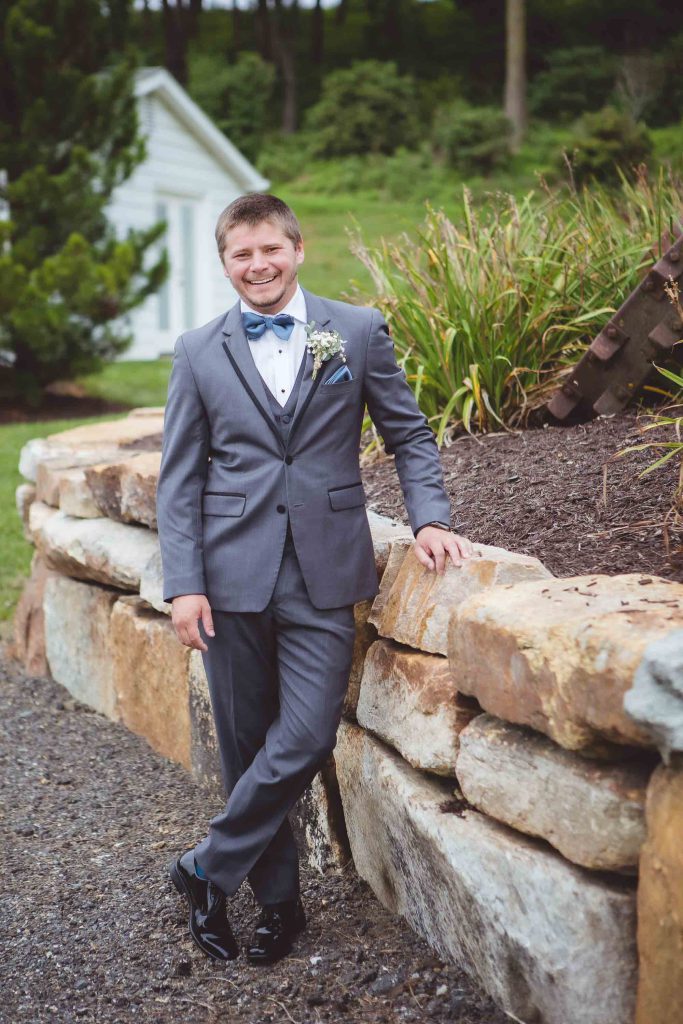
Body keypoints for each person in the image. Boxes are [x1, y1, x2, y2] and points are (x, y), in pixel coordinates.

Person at [156, 193, 475, 967]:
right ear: (225, 263)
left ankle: (205, 869)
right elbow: (179, 478)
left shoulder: (354, 331)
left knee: (303, 735)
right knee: (245, 747)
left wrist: (429, 518)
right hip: (228, 578)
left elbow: (408, 433)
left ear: (297, 250)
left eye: (270, 249)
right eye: (241, 254)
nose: (258, 265)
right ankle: (278, 907)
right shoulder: (197, 351)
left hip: (324, 570)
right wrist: (184, 583)